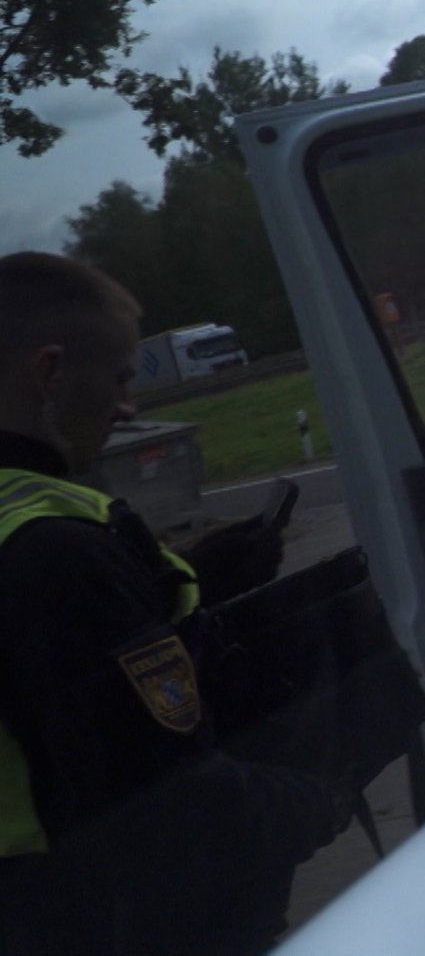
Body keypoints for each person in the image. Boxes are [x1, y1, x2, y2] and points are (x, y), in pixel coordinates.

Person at [0, 252, 341, 955]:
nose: (128, 407)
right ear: (49, 372)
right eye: (122, 378)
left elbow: (51, 676)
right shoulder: (54, 545)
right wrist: (315, 802)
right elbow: (167, 801)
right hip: (82, 915)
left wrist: (197, 584)